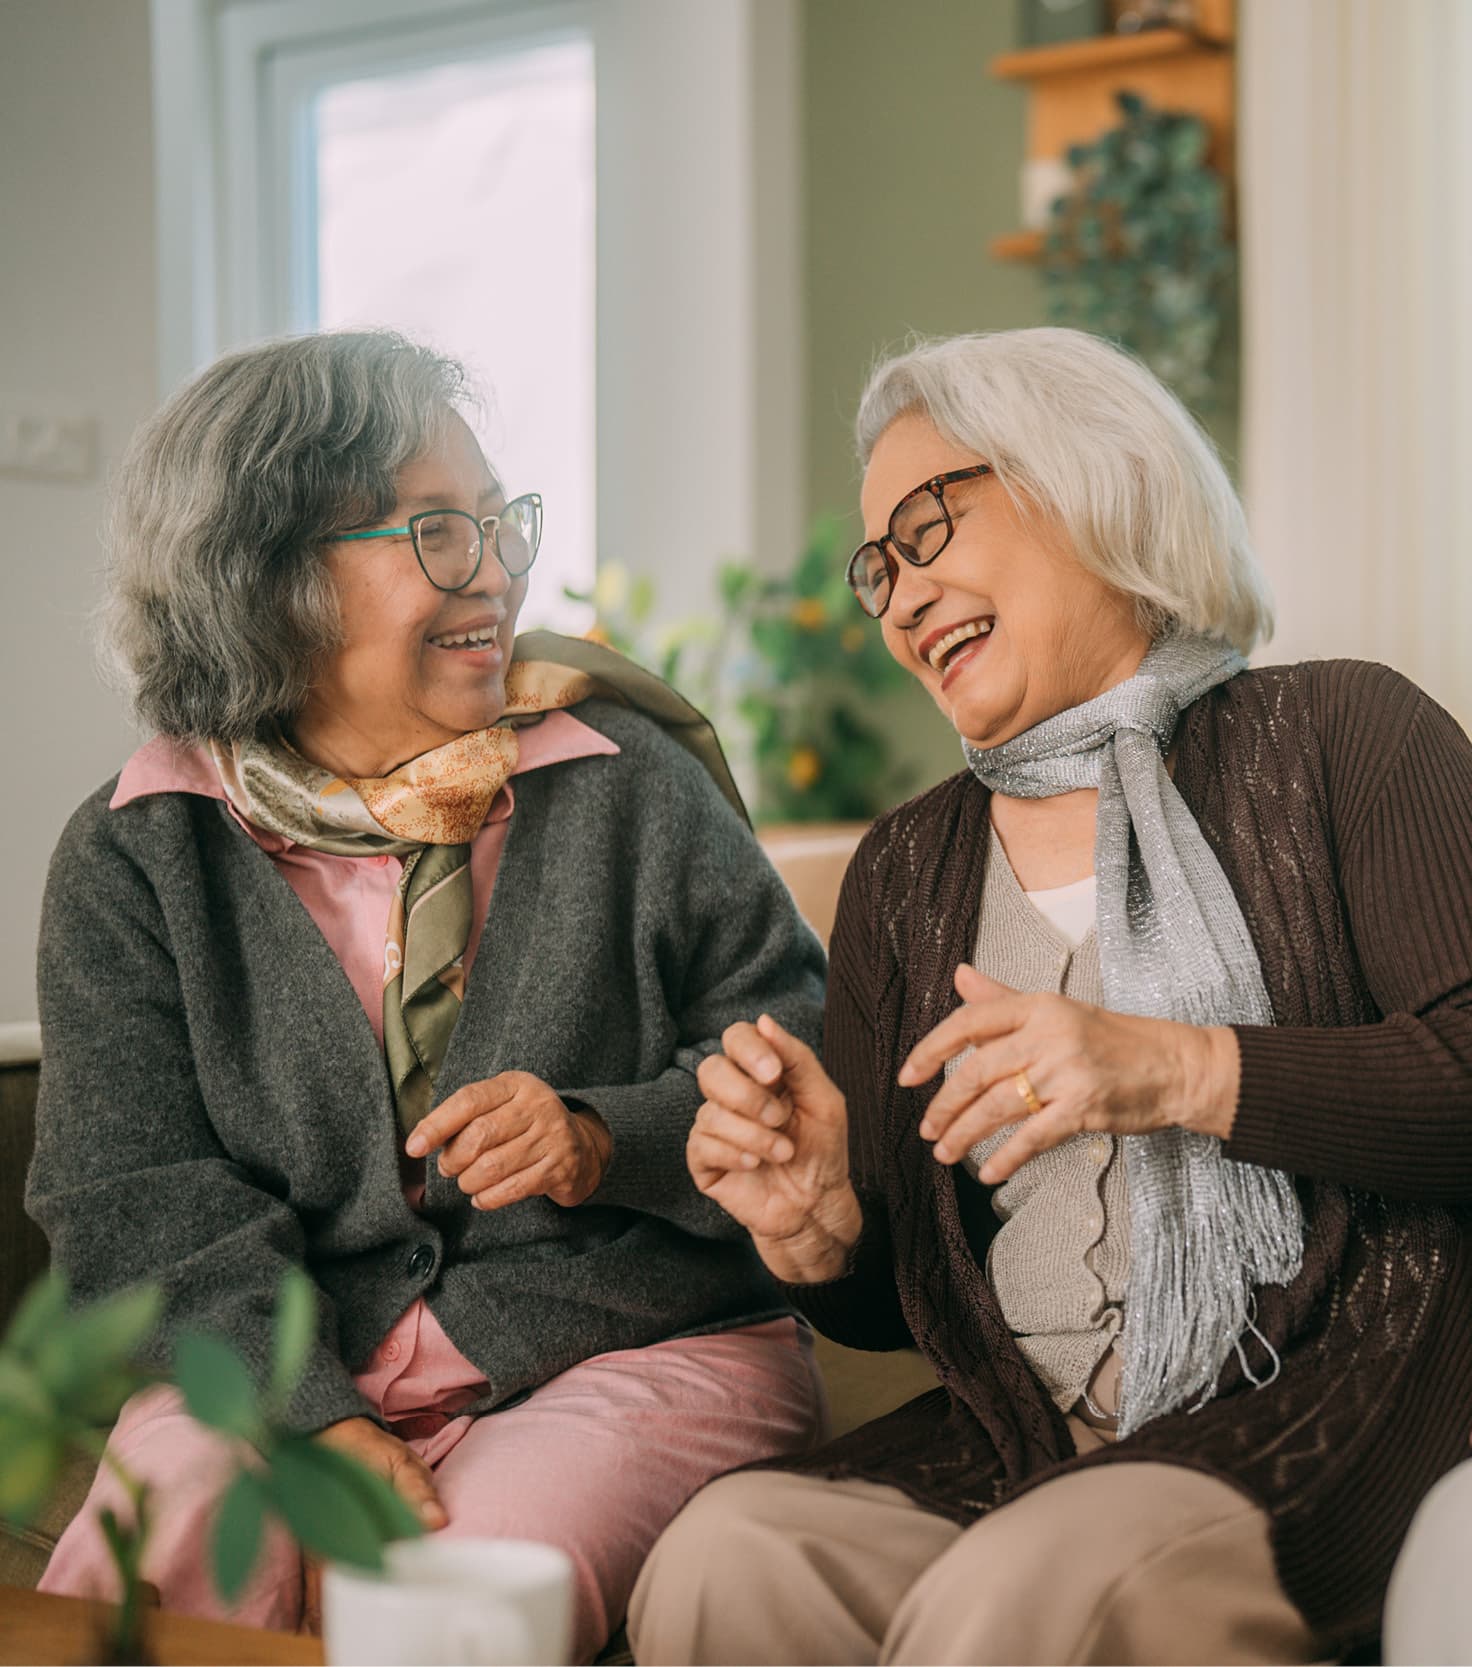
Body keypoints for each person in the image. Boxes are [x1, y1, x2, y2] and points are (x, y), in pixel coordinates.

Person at [629, 326, 1472, 1666]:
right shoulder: (907, 866)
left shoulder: (1344, 736)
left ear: (1092, 480)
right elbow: (905, 1292)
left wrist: (1182, 1071)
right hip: (1013, 1444)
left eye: (928, 526)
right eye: (878, 567)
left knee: (1045, 1588)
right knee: (724, 1562)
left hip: (1318, 1406)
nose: (900, 597)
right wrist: (823, 1228)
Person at [29, 330, 826, 1659]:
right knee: (159, 1562)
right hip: (270, 1363)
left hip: (624, 1347)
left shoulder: (627, 784)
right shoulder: (137, 853)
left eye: (500, 521)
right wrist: (316, 1420)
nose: (501, 569)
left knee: (451, 1600)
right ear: (272, 579)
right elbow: (133, 1193)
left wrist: (598, 1136)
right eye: (439, 530)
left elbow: (792, 1050)